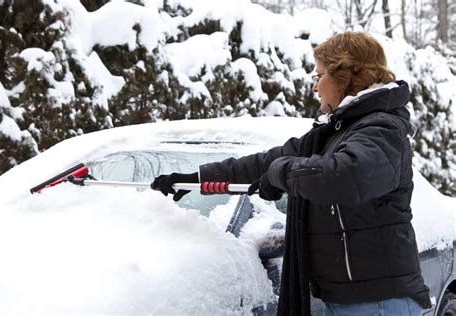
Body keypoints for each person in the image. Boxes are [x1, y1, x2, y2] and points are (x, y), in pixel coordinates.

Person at [151, 32, 431, 315]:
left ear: (344, 76)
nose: (314, 87)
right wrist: (197, 177)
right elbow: (267, 162)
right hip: (354, 299)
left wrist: (278, 174)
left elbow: (343, 177)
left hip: (377, 303)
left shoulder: (381, 129)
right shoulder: (337, 132)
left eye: (318, 76)